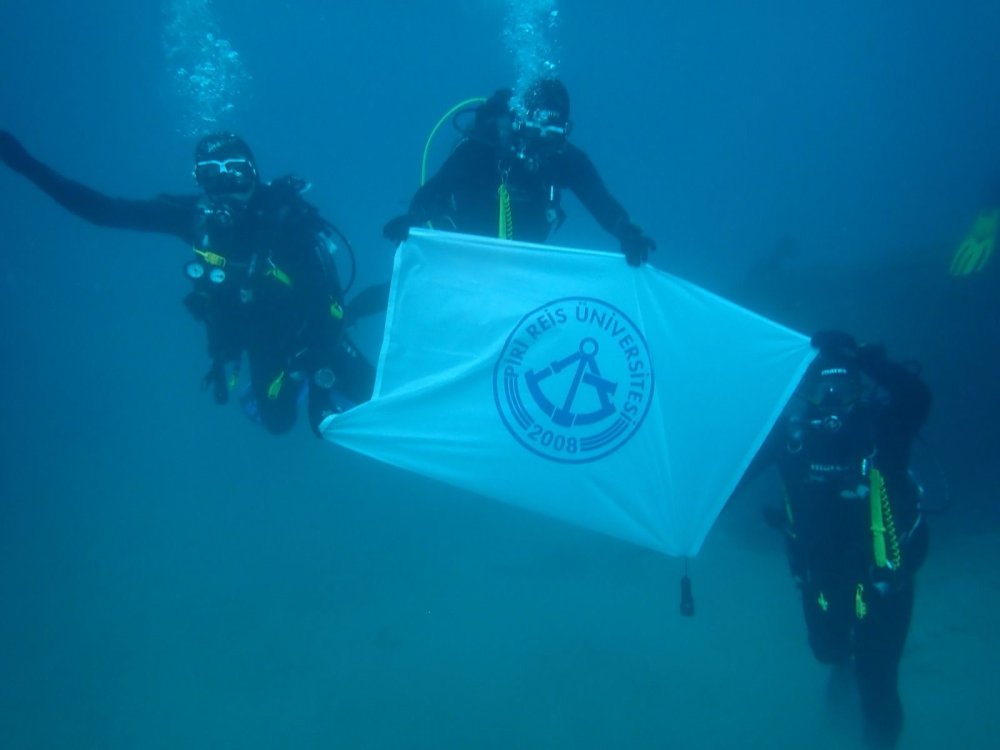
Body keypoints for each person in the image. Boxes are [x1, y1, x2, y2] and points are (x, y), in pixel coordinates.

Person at [0, 130, 374, 437]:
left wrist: (318, 350)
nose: (227, 184)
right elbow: (104, 212)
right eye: (213, 175)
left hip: (314, 332)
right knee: (278, 423)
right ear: (200, 181)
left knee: (372, 397)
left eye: (237, 172)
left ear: (255, 174)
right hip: (258, 337)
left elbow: (327, 296)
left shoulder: (286, 217)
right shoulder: (193, 217)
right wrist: (23, 163)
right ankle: (299, 379)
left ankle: (320, 369)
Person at [745, 330, 931, 749]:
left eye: (842, 390)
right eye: (821, 389)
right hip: (821, 571)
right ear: (806, 394)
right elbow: (728, 479)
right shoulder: (790, 438)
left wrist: (867, 358)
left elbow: (916, 397)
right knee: (828, 652)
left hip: (884, 577)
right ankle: (841, 685)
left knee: (878, 679)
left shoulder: (883, 431)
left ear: (860, 392)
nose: (831, 401)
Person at [383, 78, 656, 266]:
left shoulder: (563, 158)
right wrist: (414, 218)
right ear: (522, 120)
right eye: (538, 129)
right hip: (466, 246)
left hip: (524, 258)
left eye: (554, 132)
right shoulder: (483, 146)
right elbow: (441, 185)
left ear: (565, 129)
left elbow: (598, 198)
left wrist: (626, 231)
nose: (543, 141)